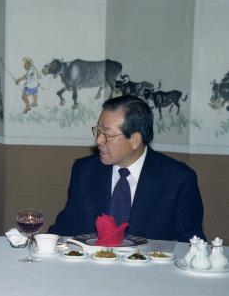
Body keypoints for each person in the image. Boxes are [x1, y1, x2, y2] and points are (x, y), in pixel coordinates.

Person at [48, 95, 206, 242]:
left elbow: (190, 241)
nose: (98, 140)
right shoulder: (84, 170)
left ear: (135, 140)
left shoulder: (178, 179)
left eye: (107, 135)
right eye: (98, 131)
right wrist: (47, 244)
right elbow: (68, 223)